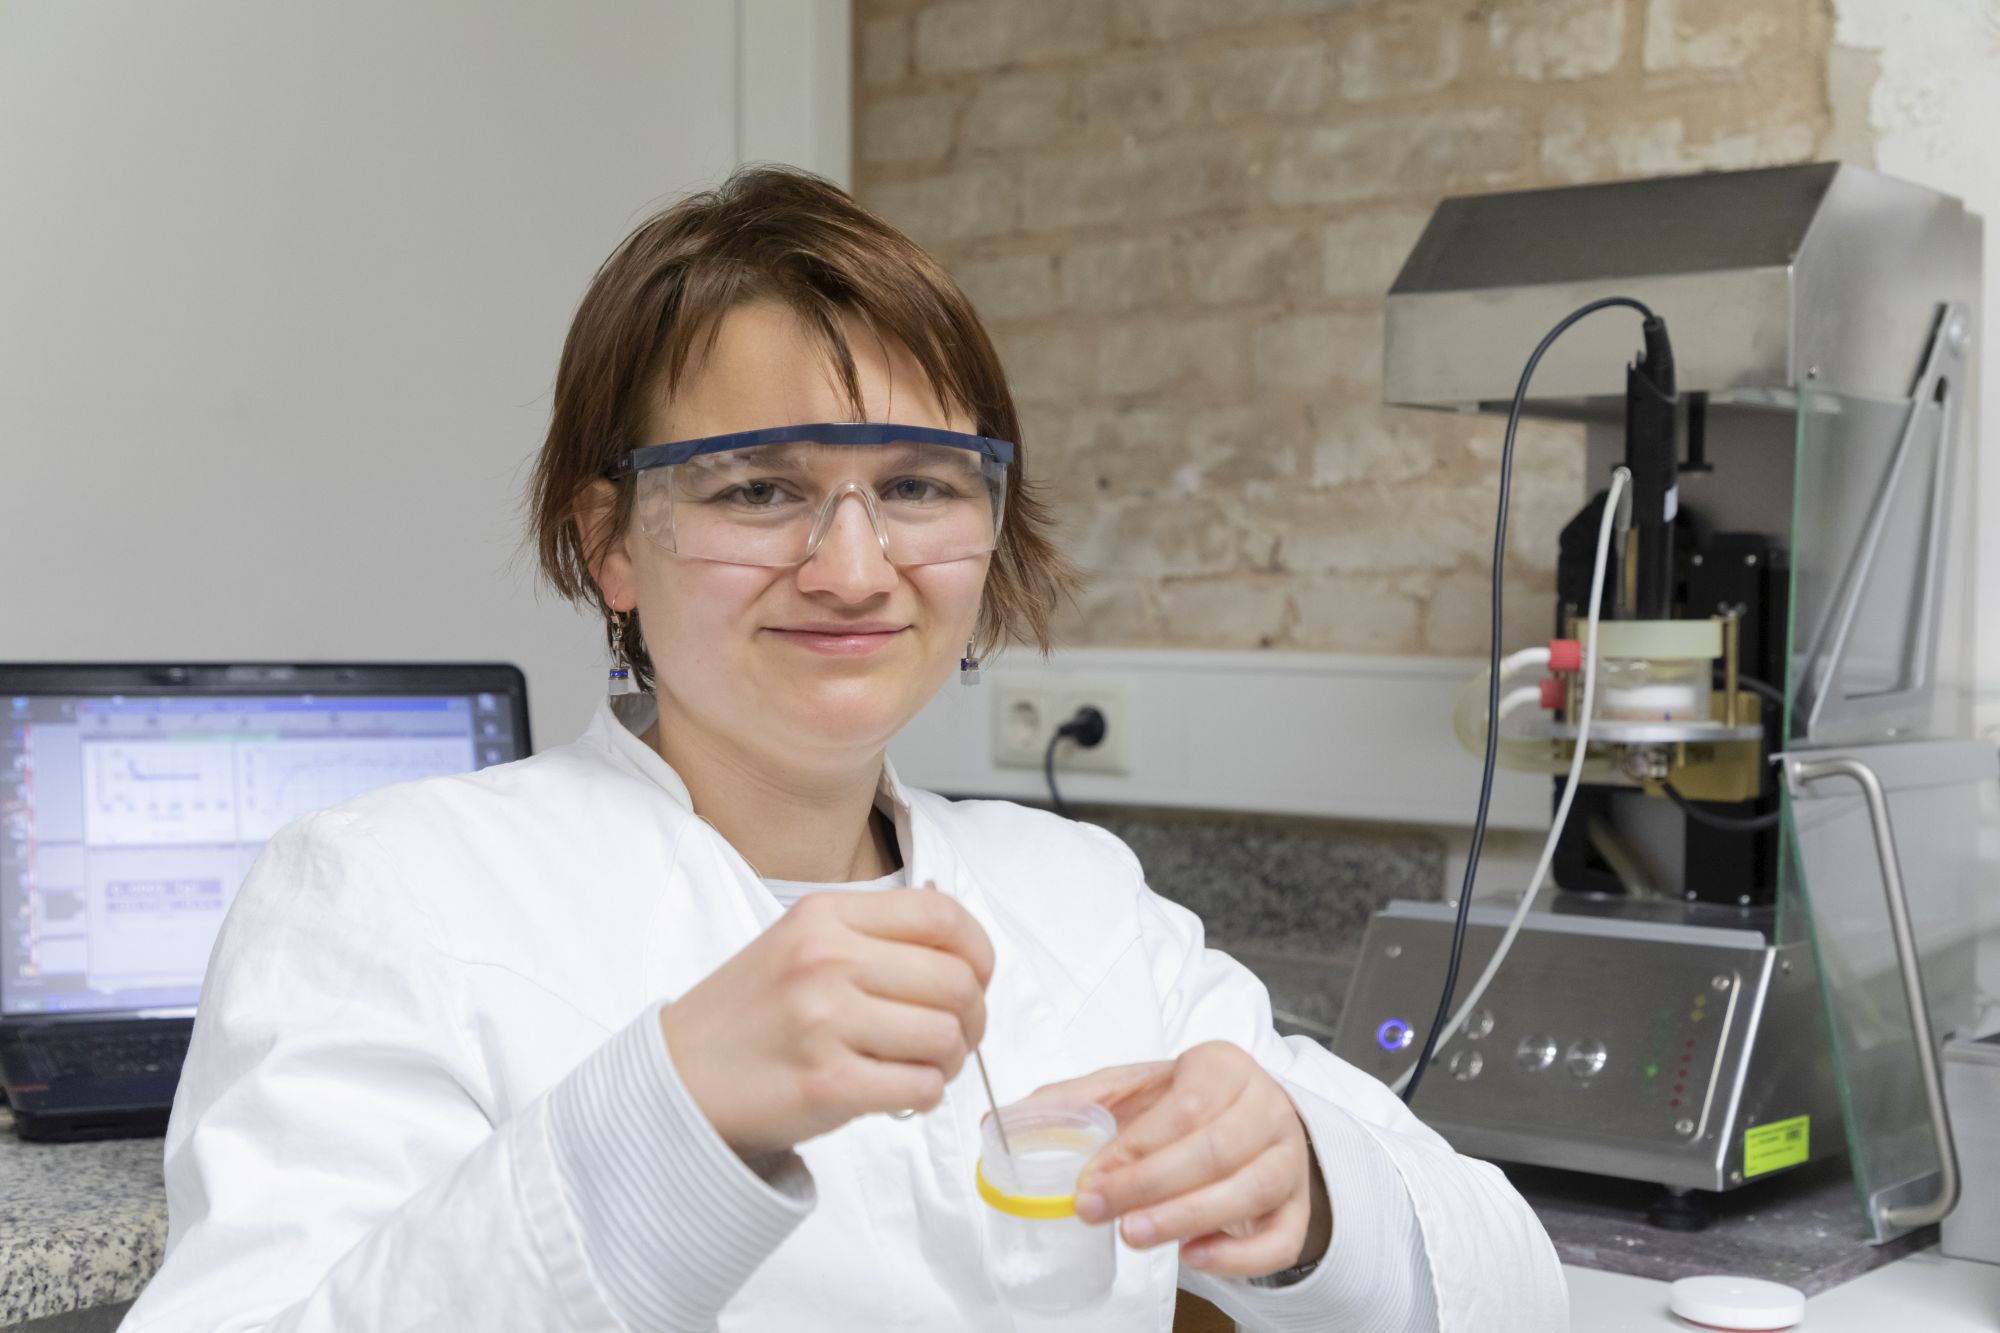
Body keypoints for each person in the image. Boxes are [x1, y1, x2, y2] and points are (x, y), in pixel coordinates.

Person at [120, 167, 1566, 1332]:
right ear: (609, 540)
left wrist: (1314, 1198)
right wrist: (677, 1112)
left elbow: (1520, 1292)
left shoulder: (1078, 900)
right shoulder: (390, 894)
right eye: (762, 488)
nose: (856, 567)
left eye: (922, 484)